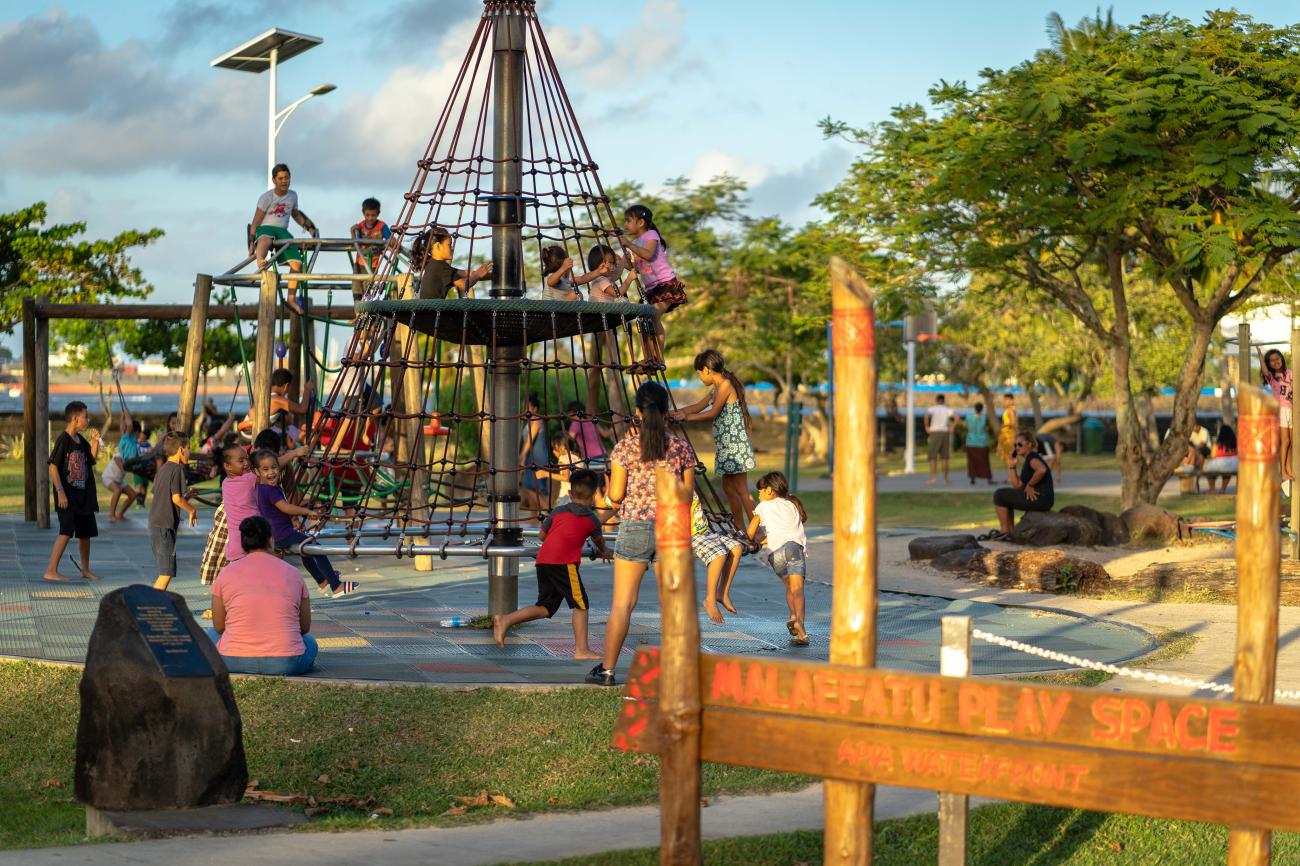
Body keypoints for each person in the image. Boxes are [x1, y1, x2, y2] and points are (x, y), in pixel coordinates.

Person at [587, 382, 696, 686]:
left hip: (634, 527)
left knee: (623, 604)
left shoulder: (624, 448)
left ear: (637, 412)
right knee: (673, 605)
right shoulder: (681, 448)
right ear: (665, 413)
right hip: (671, 530)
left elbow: (617, 494)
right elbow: (687, 495)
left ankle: (607, 670)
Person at [493, 469, 610, 658]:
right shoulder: (592, 520)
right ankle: (581, 650)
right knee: (581, 605)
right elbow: (600, 543)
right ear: (595, 494)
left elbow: (542, 535)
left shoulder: (557, 511)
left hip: (543, 562)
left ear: (570, 494)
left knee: (546, 607)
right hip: (564, 564)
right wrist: (605, 552)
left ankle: (506, 619)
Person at [208, 516, 319, 676]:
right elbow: (304, 627)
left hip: (231, 659)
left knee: (211, 633)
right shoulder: (293, 573)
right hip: (286, 663)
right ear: (270, 540)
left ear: (243, 542)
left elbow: (219, 626)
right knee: (310, 642)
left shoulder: (226, 574)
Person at [671, 350, 756, 533]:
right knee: (728, 488)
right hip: (726, 447)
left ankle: (757, 532)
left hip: (735, 446)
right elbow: (697, 407)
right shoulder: (716, 389)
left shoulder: (725, 385)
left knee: (741, 489)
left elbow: (712, 412)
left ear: (708, 370)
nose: (700, 377)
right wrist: (674, 412)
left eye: (699, 373)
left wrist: (686, 418)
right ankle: (740, 528)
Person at [253, 448, 358, 598]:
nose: (271, 472)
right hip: (282, 534)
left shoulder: (262, 487)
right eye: (265, 469)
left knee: (306, 551)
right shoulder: (270, 490)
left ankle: (321, 580)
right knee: (315, 548)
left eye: (274, 467)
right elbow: (285, 507)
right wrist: (307, 511)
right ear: (257, 472)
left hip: (276, 535)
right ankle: (336, 585)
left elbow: (276, 511)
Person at [42, 401, 103, 582]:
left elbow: (91, 459)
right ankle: (51, 570)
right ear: (76, 419)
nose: (88, 419)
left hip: (83, 495)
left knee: (85, 532)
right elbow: (53, 467)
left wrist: (94, 442)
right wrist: (60, 491)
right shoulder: (64, 440)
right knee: (66, 530)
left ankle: (85, 569)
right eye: (85, 416)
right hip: (67, 496)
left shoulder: (80, 440)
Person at [747, 472, 809, 646]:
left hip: (775, 553)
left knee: (790, 586)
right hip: (794, 548)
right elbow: (788, 531)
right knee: (798, 589)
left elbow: (751, 532)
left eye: (760, 491)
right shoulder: (792, 505)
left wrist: (752, 541)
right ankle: (799, 624)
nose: (758, 495)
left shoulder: (763, 506)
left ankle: (793, 616)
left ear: (769, 490)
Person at [622, 205, 686, 369]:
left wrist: (629, 245)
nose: (625, 225)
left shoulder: (651, 235)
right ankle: (649, 357)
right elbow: (637, 267)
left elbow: (649, 255)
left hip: (665, 285)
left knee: (653, 316)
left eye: (628, 221)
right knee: (643, 320)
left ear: (641, 222)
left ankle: (659, 358)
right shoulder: (635, 243)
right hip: (651, 289)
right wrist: (625, 263)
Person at [249, 163, 318, 315]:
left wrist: (310, 228)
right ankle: (260, 260)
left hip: (283, 231)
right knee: (266, 239)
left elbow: (295, 214)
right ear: (274, 180)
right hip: (266, 228)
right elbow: (255, 222)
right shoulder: (267, 197)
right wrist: (251, 244)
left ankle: (291, 298)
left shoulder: (293, 195)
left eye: (286, 178)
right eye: (280, 178)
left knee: (297, 263)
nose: (284, 181)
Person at [149, 433, 198, 591]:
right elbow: (176, 499)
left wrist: (188, 496)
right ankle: (147, 607)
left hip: (156, 524)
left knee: (165, 571)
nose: (189, 452)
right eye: (189, 448)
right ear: (181, 450)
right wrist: (192, 510)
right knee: (166, 572)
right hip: (164, 526)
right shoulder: (177, 469)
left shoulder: (163, 469)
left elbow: (167, 496)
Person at [692, 495, 743, 625]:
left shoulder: (689, 483)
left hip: (704, 533)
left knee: (737, 548)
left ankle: (722, 593)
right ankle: (710, 599)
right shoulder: (672, 486)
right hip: (688, 535)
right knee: (719, 555)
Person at [990, 433, 1055, 538]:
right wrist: (1011, 466)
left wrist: (1030, 485)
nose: (1017, 447)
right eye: (1015, 445)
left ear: (1029, 444)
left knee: (999, 495)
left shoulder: (1032, 457)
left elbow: (1042, 470)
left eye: (1019, 444)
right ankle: (1009, 533)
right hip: (1040, 499)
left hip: (1039, 498)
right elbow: (1017, 486)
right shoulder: (1028, 459)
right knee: (1005, 496)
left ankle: (1005, 531)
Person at [413, 225, 493, 300]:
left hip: (427, 311)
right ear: (437, 246)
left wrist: (492, 276)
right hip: (432, 313)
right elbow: (464, 285)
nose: (452, 248)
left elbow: (466, 273)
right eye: (449, 245)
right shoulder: (441, 267)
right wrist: (477, 275)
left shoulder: (433, 264)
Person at [238, 368, 315, 445]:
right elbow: (302, 409)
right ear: (286, 386)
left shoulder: (266, 395)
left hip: (247, 432)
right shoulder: (276, 400)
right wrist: (307, 390)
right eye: (289, 388)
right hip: (250, 435)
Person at [1259, 348, 1293, 482]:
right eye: (1271, 361)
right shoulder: (1272, 377)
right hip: (1281, 409)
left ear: (1282, 359)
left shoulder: (1290, 373)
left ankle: (1289, 468)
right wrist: (1261, 357)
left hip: (1291, 409)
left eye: (1277, 359)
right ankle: (1282, 471)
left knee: (1291, 442)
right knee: (1285, 441)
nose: (1275, 362)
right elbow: (1265, 371)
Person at [101, 410, 139, 520]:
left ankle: (120, 514)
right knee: (117, 491)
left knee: (133, 494)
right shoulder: (121, 452)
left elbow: (122, 428)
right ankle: (111, 515)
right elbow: (129, 425)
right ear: (135, 433)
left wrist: (122, 416)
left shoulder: (127, 441)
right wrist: (127, 414)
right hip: (108, 478)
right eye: (137, 433)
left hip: (118, 480)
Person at [540, 245, 609, 301]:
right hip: (550, 311)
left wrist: (598, 272)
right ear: (561, 263)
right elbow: (550, 282)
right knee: (575, 294)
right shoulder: (551, 276)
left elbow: (582, 279)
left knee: (577, 294)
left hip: (559, 310)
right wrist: (563, 268)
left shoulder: (565, 280)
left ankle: (575, 315)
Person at [520, 393, 550, 519]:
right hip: (531, 458)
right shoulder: (529, 421)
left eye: (528, 406)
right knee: (532, 488)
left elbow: (530, 440)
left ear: (535, 408)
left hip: (537, 458)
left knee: (532, 488)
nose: (525, 409)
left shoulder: (537, 420)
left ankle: (549, 513)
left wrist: (521, 455)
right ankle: (533, 518)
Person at [350, 197, 391, 286]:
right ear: (363, 214)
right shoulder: (360, 226)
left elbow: (391, 240)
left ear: (378, 214)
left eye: (373, 215)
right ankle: (357, 299)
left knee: (367, 287)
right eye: (367, 215)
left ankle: (366, 299)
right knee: (356, 286)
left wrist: (393, 245)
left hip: (372, 264)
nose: (370, 218)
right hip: (360, 262)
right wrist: (352, 231)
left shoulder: (381, 226)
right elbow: (355, 244)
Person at [566, 400, 612, 467]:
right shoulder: (591, 421)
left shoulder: (576, 423)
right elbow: (605, 434)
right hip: (604, 456)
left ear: (571, 412)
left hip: (591, 459)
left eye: (568, 413)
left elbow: (568, 440)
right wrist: (612, 429)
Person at [924, 394, 955, 485]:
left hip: (934, 432)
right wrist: (952, 426)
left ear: (936, 400)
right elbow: (956, 417)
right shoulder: (947, 409)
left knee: (933, 457)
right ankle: (945, 479)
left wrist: (927, 427)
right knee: (945, 457)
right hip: (945, 433)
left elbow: (926, 416)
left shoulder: (932, 409)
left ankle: (933, 478)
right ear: (944, 400)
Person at [1203, 425, 1239, 495]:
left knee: (1210, 471)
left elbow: (1213, 455)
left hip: (1220, 463)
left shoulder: (1218, 443)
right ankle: (1223, 489)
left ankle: (1212, 489)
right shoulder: (1235, 443)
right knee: (1227, 473)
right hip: (1234, 464)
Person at [964, 401, 993, 485]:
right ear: (982, 409)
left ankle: (973, 478)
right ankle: (988, 478)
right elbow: (986, 429)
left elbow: (967, 427)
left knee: (972, 461)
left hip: (971, 442)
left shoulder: (969, 417)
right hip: (982, 442)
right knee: (984, 461)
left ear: (974, 408)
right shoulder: (984, 417)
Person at [995, 393, 1018, 464]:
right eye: (1004, 400)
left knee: (1009, 457)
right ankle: (1011, 473)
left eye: (1007, 400)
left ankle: (1012, 474)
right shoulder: (1008, 410)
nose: (1005, 402)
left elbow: (1013, 423)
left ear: (1011, 401)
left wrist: (1003, 426)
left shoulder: (1010, 410)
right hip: (1006, 434)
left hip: (1008, 435)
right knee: (1009, 458)